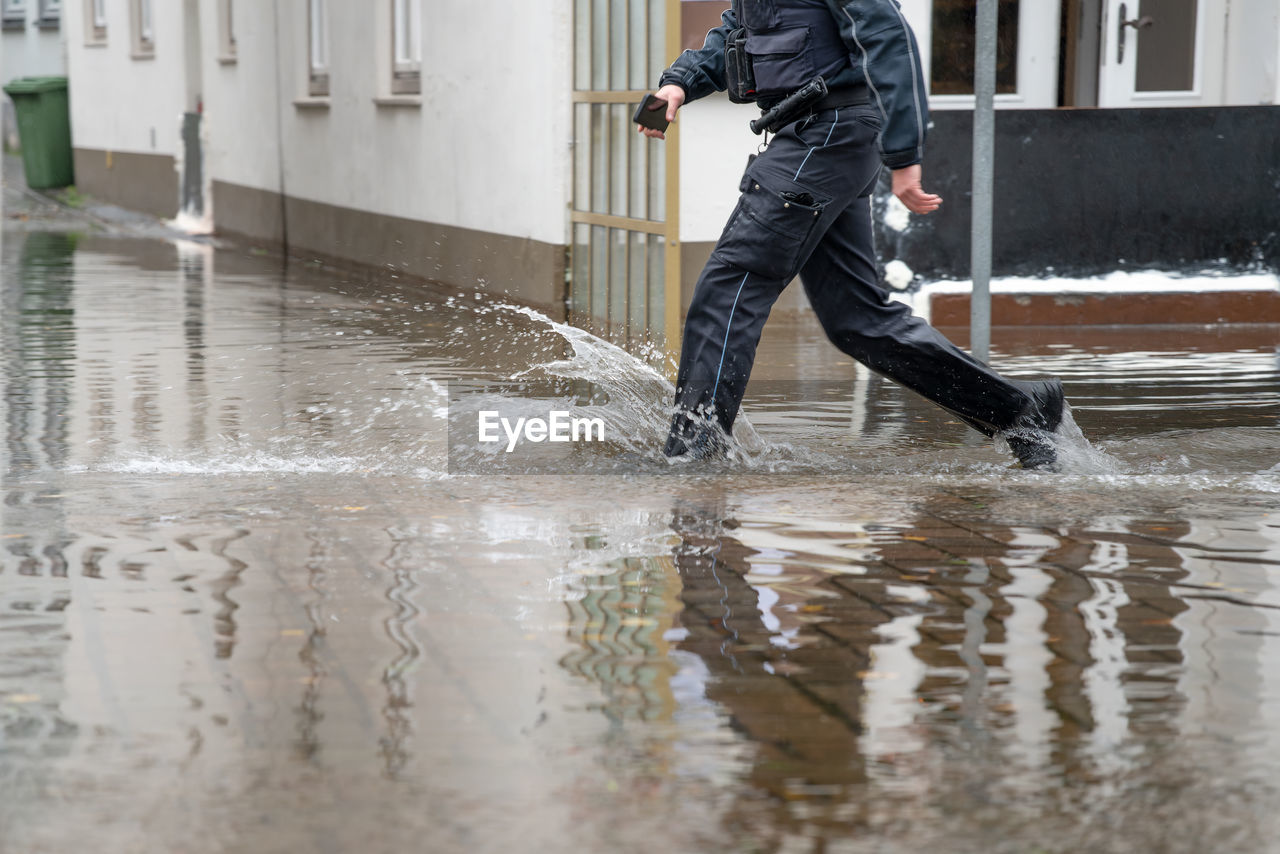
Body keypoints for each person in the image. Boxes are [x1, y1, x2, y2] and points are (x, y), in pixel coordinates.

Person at [638, 0, 1066, 470]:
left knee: (730, 287)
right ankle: (1019, 413)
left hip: (826, 133)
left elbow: (889, 39)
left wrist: (905, 157)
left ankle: (691, 456)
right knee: (857, 319)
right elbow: (737, 36)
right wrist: (677, 85)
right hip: (812, 136)